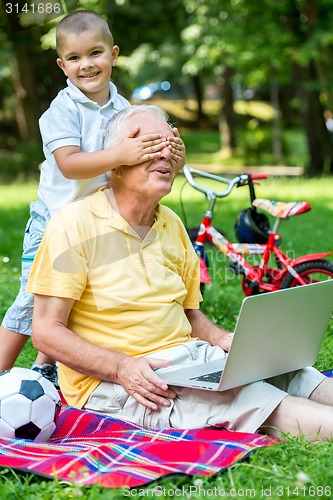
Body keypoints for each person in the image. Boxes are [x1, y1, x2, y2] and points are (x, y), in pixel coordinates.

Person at [27, 105, 333, 441]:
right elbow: (45, 332)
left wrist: (226, 341)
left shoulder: (171, 223)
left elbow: (190, 316)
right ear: (114, 162)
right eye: (149, 145)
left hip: (190, 362)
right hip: (121, 382)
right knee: (252, 399)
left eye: (170, 146)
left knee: (292, 373)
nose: (165, 155)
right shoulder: (73, 224)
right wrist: (121, 367)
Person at [0, 11, 185, 386]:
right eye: (74, 58)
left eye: (95, 53)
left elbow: (141, 159)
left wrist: (170, 151)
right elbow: (69, 164)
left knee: (76, 294)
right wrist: (121, 154)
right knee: (32, 301)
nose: (86, 65)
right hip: (55, 220)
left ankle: (46, 367)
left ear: (114, 54)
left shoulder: (124, 110)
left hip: (98, 220)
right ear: (61, 64)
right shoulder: (61, 111)